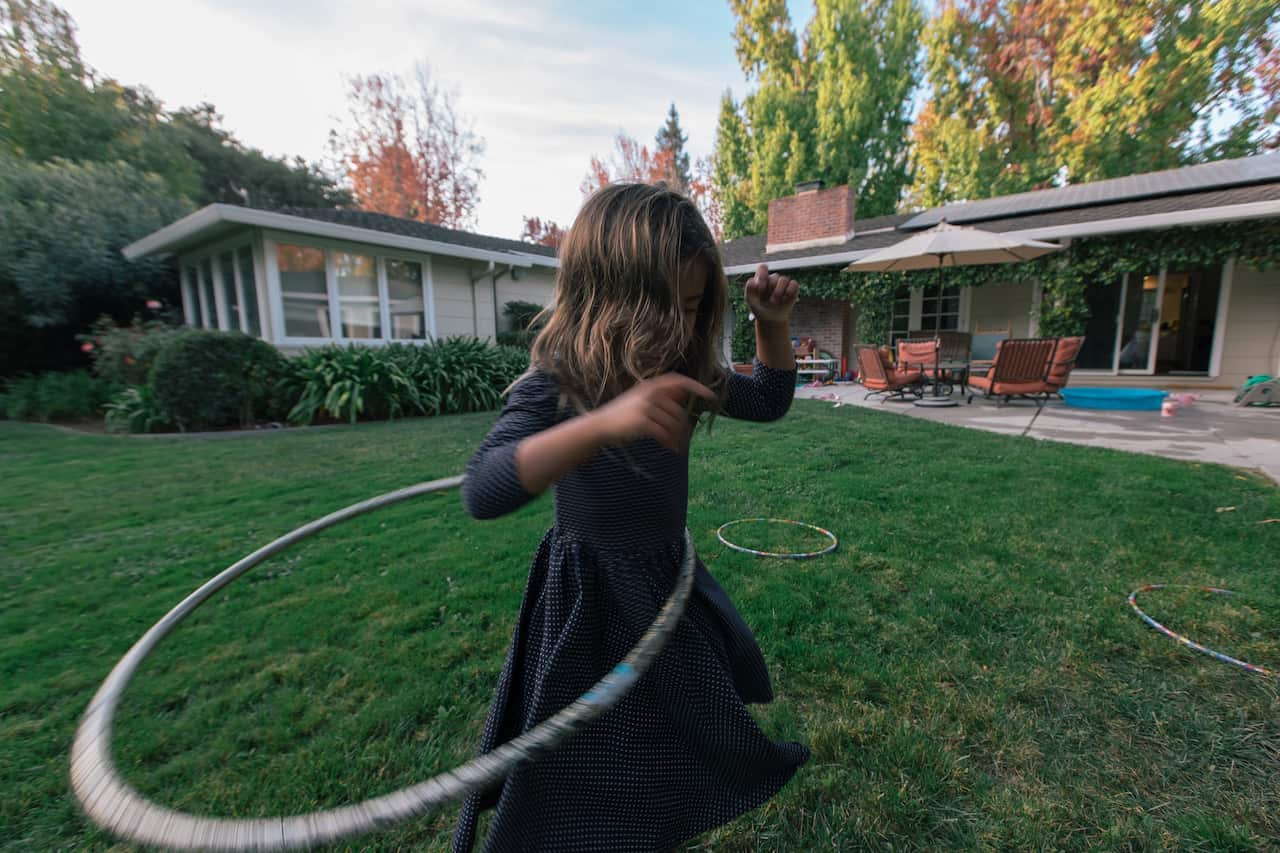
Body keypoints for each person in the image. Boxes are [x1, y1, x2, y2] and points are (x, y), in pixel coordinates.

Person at [452, 183, 809, 851]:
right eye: (662, 308)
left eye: (694, 307)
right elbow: (484, 487)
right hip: (590, 602)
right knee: (583, 761)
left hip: (664, 585)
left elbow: (767, 400)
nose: (680, 328)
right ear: (605, 297)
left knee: (662, 738)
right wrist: (600, 423)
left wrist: (772, 326)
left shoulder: (682, 368)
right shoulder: (557, 382)